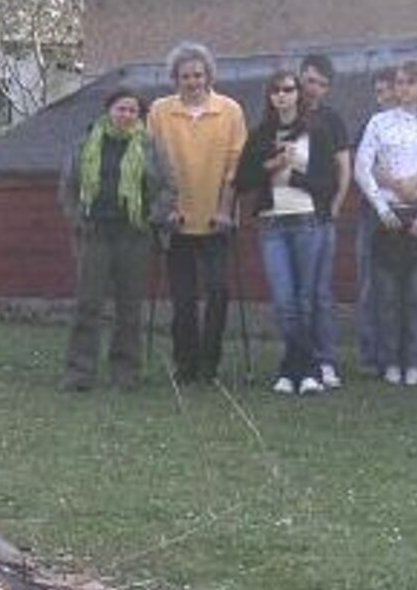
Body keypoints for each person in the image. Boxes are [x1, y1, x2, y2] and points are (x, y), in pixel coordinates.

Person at [59, 88, 175, 392]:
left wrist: (152, 217)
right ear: (109, 110)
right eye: (121, 109)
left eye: (132, 111)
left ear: (139, 116)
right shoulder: (86, 143)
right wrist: (77, 219)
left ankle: (126, 374)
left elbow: (169, 187)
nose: (126, 115)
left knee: (129, 308)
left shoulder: (149, 147)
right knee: (88, 305)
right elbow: (68, 186)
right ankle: (79, 373)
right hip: (95, 233)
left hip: (134, 235)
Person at [234, 70, 341, 395]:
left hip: (307, 221)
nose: (282, 95)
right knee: (284, 301)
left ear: (298, 94)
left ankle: (299, 371)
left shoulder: (316, 132)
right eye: (276, 90)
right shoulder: (261, 134)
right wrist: (272, 165)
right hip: (273, 225)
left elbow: (329, 185)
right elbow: (242, 181)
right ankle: (302, 368)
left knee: (305, 300)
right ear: (269, 96)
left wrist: (293, 177)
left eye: (288, 89)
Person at [147, 42, 248, 386]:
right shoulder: (160, 111)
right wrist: (167, 208)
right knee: (183, 300)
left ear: (208, 76)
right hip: (177, 222)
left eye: (198, 75)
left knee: (218, 292)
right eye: (186, 76)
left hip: (215, 220)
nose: (193, 82)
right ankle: (185, 363)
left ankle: (210, 363)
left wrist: (225, 209)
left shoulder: (229, 110)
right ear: (175, 78)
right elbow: (153, 165)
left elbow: (235, 164)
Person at [354, 60, 417, 387]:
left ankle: (416, 360)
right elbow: (362, 169)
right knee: (385, 292)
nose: (404, 89)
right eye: (399, 83)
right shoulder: (379, 123)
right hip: (385, 216)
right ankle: (390, 360)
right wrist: (382, 209)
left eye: (411, 82)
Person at [298, 54, 352, 390]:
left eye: (320, 83)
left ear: (327, 88)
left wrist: (336, 204)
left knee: (320, 292)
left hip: (320, 216)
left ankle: (326, 360)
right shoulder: (284, 114)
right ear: (300, 78)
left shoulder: (332, 120)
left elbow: (344, 167)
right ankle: (299, 359)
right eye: (309, 80)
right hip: (290, 216)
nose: (313, 88)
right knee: (296, 295)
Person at [354, 67, 399, 374]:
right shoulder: (370, 127)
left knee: (403, 287)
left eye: (386, 91)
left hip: (408, 212)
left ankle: (400, 353)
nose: (381, 98)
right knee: (371, 286)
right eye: (378, 92)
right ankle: (372, 355)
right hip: (372, 214)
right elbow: (363, 169)